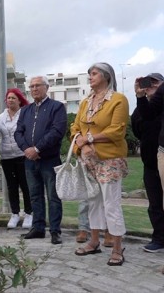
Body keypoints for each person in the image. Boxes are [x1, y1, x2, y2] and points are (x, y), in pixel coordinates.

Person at [71, 62, 128, 266]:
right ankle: (94, 241)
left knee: (111, 204)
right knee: (93, 202)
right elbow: (75, 126)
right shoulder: (86, 102)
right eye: (89, 74)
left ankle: (117, 247)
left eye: (94, 73)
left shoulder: (118, 100)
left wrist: (90, 140)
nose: (90, 77)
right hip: (88, 159)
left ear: (106, 76)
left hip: (109, 160)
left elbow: (117, 130)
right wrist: (80, 142)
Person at [14, 76, 67, 245]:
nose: (34, 89)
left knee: (53, 196)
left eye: (38, 85)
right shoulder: (25, 110)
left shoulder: (57, 107)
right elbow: (18, 132)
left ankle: (55, 231)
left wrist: (37, 149)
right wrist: (26, 150)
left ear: (47, 87)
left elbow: (57, 131)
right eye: (31, 86)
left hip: (49, 160)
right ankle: (37, 228)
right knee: (34, 195)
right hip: (30, 161)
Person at [132, 73, 164, 252]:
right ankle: (159, 238)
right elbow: (137, 130)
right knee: (155, 204)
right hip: (150, 162)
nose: (151, 85)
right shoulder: (142, 107)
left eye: (155, 82)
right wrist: (142, 97)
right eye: (148, 82)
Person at [0, 88, 33, 229]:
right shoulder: (1, 117)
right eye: (8, 98)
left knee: (25, 185)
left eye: (13, 98)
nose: (10, 100)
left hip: (22, 154)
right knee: (12, 186)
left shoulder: (25, 114)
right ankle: (15, 214)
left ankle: (29, 213)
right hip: (6, 156)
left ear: (19, 100)